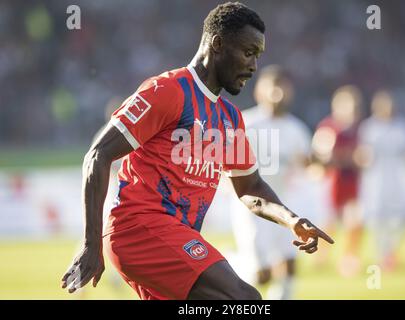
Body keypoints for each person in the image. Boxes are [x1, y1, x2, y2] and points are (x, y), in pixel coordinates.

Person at [61, 2, 333, 300]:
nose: (254, 67)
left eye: (257, 56)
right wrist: (91, 244)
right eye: (248, 52)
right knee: (245, 299)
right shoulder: (167, 91)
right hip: (140, 229)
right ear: (217, 44)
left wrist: (292, 220)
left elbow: (250, 187)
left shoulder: (230, 118)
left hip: (177, 235)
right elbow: (98, 155)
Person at [229, 65, 312, 299]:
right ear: (259, 91)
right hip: (253, 207)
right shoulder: (247, 123)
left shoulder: (297, 128)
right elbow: (227, 162)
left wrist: (322, 159)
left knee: (289, 264)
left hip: (285, 204)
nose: (278, 93)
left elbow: (308, 165)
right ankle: (230, 261)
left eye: (283, 87)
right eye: (273, 87)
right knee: (261, 276)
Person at [358, 90, 405, 271]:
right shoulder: (369, 127)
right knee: (377, 218)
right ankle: (383, 254)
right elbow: (364, 155)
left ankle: (390, 248)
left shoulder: (403, 126)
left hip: (399, 177)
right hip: (376, 179)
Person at [311, 85, 363, 277]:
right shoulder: (328, 128)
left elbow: (364, 157)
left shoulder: (360, 130)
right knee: (328, 224)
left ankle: (349, 259)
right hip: (332, 184)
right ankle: (321, 256)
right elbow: (320, 157)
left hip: (352, 184)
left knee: (355, 223)